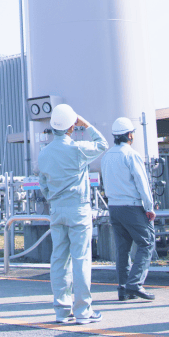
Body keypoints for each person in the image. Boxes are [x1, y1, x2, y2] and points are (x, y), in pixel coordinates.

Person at [38, 104, 108, 325]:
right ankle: (83, 311)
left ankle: (61, 310)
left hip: (57, 209)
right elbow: (103, 144)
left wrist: (54, 200)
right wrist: (86, 125)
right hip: (78, 208)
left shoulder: (43, 153)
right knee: (81, 259)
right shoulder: (77, 149)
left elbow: (43, 184)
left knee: (59, 259)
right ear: (71, 127)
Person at [101, 117, 156, 302]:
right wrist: (149, 207)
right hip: (131, 206)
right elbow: (142, 182)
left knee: (122, 249)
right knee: (146, 243)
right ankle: (135, 284)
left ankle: (123, 289)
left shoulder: (107, 156)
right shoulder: (131, 155)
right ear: (129, 135)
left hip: (113, 207)